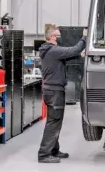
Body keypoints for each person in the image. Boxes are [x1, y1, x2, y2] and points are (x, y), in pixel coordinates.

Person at [37, 25, 87, 163]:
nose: (59, 39)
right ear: (52, 36)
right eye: (58, 36)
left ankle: (53, 150)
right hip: (54, 91)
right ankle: (44, 154)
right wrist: (84, 37)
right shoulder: (52, 50)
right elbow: (74, 49)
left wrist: (78, 55)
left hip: (52, 90)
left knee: (55, 121)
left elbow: (69, 55)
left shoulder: (49, 51)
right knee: (53, 122)